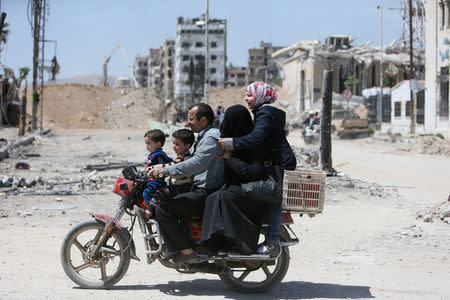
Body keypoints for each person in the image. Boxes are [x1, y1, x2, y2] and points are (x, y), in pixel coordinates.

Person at [219, 81, 297, 257]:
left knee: (276, 197)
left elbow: (256, 138)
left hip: (281, 162)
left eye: (250, 95)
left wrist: (231, 144)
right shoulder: (263, 112)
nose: (246, 98)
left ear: (261, 96)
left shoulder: (266, 112)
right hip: (276, 161)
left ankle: (272, 241)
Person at [148, 103, 225, 266]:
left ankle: (186, 252)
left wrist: (165, 171)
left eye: (191, 119)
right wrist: (162, 167)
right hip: (198, 187)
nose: (188, 122)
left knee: (163, 210)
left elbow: (196, 164)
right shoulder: (204, 136)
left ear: (203, 120)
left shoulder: (211, 137)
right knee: (164, 198)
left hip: (205, 191)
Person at [201, 104, 271, 254]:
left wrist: (230, 158)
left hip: (255, 190)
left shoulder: (255, 143)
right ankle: (212, 242)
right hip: (239, 187)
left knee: (227, 195)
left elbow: (253, 173)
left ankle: (237, 243)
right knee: (212, 196)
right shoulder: (232, 142)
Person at [139, 128, 195, 219]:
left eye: (177, 144)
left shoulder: (185, 159)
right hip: (177, 185)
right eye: (173, 143)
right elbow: (168, 165)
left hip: (182, 187)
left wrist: (153, 168)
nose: (173, 146)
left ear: (187, 146)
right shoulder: (180, 157)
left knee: (160, 192)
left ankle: (150, 211)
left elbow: (169, 167)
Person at [142, 129, 173, 209]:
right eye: (146, 144)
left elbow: (161, 167)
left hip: (156, 181)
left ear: (158, 144)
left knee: (147, 193)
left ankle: (151, 209)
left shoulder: (159, 155)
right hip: (152, 179)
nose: (147, 146)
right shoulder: (154, 154)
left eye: (149, 143)